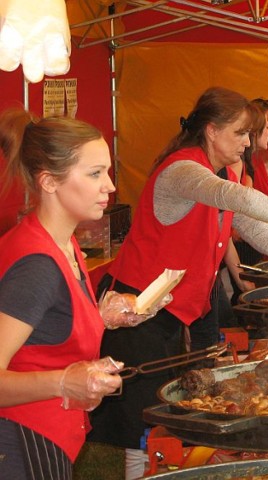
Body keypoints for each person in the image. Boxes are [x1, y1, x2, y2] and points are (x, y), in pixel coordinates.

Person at [87, 87, 268, 479]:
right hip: (134, 310)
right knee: (139, 419)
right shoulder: (183, 171)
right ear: (212, 131)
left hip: (169, 313)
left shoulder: (217, 175)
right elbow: (237, 197)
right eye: (241, 133)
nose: (248, 143)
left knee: (162, 412)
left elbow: (263, 237)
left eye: (251, 134)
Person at [0, 109, 132, 479]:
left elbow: (44, 326)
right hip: (21, 442)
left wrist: (100, 316)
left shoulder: (67, 244)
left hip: (51, 437)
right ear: (49, 182)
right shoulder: (36, 265)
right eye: (95, 174)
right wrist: (62, 381)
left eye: (106, 171)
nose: (110, 186)